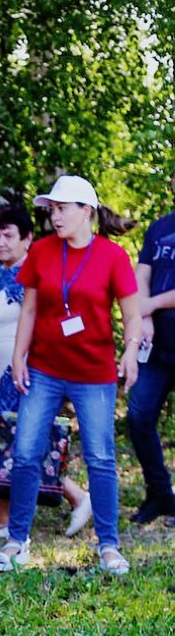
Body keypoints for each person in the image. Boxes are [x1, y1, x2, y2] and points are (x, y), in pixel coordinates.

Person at [0, 175, 141, 575]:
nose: (55, 216)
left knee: (102, 457)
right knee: (25, 453)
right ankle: (16, 541)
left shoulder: (112, 257)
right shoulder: (41, 251)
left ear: (86, 211)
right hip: (44, 369)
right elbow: (29, 310)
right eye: (52, 209)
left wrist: (131, 352)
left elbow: (132, 313)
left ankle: (108, 545)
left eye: (62, 208)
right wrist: (18, 355)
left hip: (94, 373)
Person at [0, 203, 92, 543]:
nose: (0, 242)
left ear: (28, 240)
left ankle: (76, 496)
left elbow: (46, 318)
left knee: (18, 442)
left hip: (19, 370)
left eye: (8, 235)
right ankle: (2, 518)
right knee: (2, 442)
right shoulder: (0, 273)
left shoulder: (33, 273)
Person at [129, 175, 175, 522]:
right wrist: (143, 316)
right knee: (139, 417)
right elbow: (140, 274)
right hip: (156, 348)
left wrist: (148, 305)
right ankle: (160, 494)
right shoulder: (159, 228)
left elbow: (149, 298)